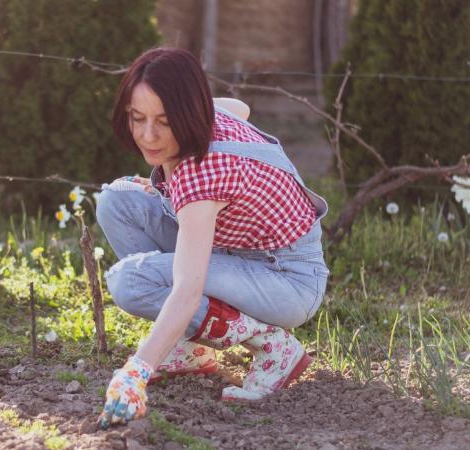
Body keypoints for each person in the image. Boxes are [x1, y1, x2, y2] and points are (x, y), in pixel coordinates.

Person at [95, 47, 329, 428]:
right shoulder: (209, 115)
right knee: (116, 202)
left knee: (131, 281)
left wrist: (136, 370)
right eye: (137, 118)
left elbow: (188, 289)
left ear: (187, 113)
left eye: (165, 121)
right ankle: (189, 349)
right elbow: (240, 107)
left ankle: (270, 344)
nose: (147, 135)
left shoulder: (200, 176)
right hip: (238, 251)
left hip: (287, 280)